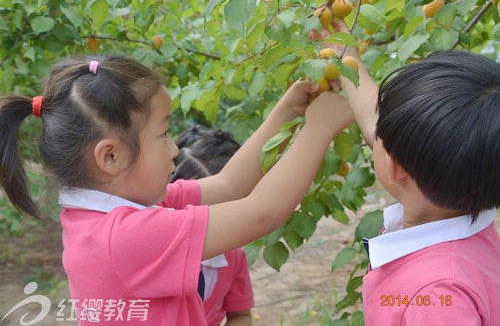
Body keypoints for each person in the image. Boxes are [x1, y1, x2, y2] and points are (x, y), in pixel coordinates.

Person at [0, 55, 353, 325]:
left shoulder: (117, 211)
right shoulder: (123, 238)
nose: (174, 150)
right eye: (163, 134)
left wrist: (286, 112)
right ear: (110, 156)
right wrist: (318, 130)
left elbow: (230, 185)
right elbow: (263, 212)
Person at [323, 22, 500, 325]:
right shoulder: (471, 219)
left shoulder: (438, 299)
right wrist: (344, 58)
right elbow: (375, 119)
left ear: (396, 168)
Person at [173, 125, 253, 326]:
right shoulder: (151, 256)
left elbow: (240, 315)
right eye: (195, 213)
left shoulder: (233, 257)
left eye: (220, 214)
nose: (206, 225)